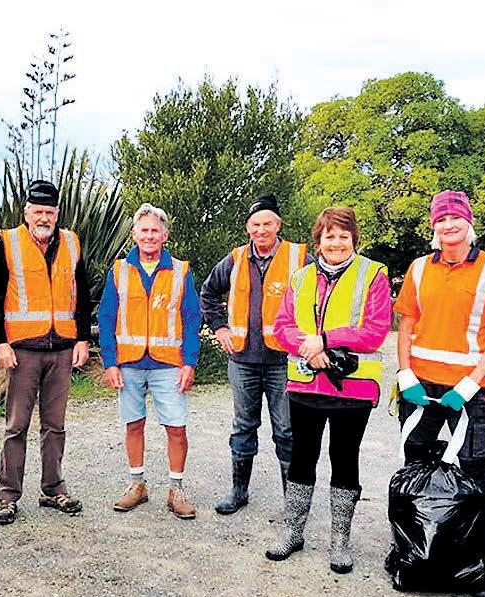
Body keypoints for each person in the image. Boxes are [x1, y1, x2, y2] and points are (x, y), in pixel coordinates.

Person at [393, 190, 485, 597]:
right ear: (434, 226)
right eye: (441, 220)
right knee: (415, 474)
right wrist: (405, 373)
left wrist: (471, 383)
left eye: (456, 219)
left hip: (469, 392)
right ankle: (413, 554)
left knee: (478, 479)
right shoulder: (418, 268)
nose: (449, 226)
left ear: (469, 223)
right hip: (420, 390)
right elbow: (406, 327)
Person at [264, 207, 391, 573]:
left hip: (353, 389)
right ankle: (293, 532)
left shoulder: (373, 274)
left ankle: (340, 541)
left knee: (344, 458)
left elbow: (375, 330)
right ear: (318, 240)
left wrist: (325, 340)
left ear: (354, 240)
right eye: (329, 236)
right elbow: (282, 325)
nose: (336, 243)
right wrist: (309, 348)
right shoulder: (301, 277)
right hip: (306, 384)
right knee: (302, 457)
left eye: (343, 236)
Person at [0, 179, 92, 525]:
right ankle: (7, 496)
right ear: (26, 213)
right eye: (38, 212)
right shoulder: (9, 243)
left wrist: (82, 339)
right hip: (23, 350)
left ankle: (53, 488)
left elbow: (82, 294)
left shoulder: (72, 243)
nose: (44, 218)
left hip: (61, 348)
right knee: (16, 426)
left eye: (49, 212)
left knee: (55, 425)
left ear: (57, 213)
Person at [200, 194, 310, 514]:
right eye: (255, 224)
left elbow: (321, 297)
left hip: (284, 361)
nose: (261, 230)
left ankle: (293, 501)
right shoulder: (235, 259)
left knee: (286, 431)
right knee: (243, 426)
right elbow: (208, 292)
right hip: (242, 360)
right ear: (248, 227)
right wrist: (220, 328)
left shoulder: (300, 258)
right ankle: (239, 492)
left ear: (278, 225)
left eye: (267, 223)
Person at [98, 204, 201, 519]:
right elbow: (106, 317)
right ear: (134, 234)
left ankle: (176, 489)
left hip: (169, 364)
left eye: (155, 230)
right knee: (133, 424)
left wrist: (189, 362)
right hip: (128, 363)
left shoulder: (180, 271)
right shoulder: (119, 271)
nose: (149, 236)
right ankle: (137, 485)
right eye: (144, 230)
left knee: (176, 428)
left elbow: (192, 318)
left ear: (165, 235)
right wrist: (110, 362)